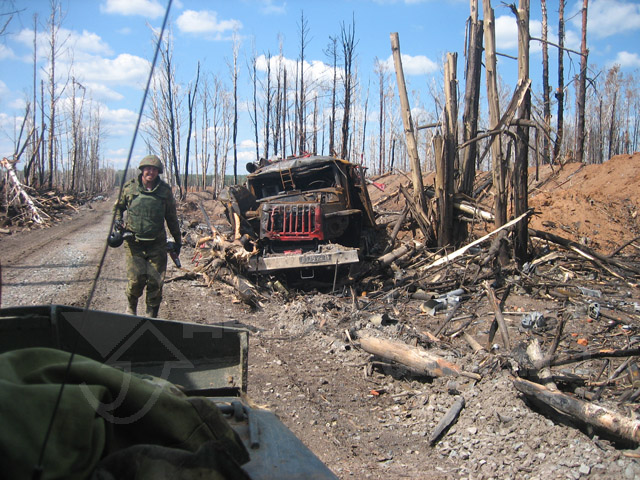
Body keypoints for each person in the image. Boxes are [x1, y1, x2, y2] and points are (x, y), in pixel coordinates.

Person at [113, 155, 181, 318]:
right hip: (134, 243)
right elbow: (119, 207)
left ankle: (151, 315)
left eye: (154, 169)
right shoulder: (130, 188)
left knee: (155, 282)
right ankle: (131, 309)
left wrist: (178, 241)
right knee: (136, 280)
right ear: (142, 170)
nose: (150, 172)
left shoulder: (164, 191)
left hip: (157, 245)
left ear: (158, 172)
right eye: (147, 168)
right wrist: (118, 222)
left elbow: (171, 217)